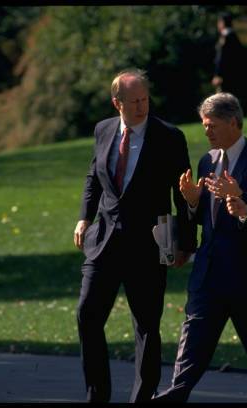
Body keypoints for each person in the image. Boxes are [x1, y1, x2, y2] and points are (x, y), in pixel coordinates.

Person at [73, 69, 196, 403]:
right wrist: (84, 218)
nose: (142, 107)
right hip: (105, 242)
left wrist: (185, 244)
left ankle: (142, 399)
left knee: (146, 328)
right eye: (134, 101)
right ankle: (97, 396)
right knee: (87, 315)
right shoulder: (103, 130)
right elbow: (93, 176)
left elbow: (181, 193)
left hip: (147, 246)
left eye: (145, 99)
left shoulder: (169, 137)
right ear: (118, 103)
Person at [152, 92, 247, 402]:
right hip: (209, 270)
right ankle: (175, 393)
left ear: (233, 123)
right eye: (204, 125)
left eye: (212, 125)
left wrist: (243, 200)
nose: (206, 131)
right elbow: (203, 219)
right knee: (194, 335)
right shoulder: (206, 161)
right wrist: (192, 201)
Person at [212, 12, 243, 95]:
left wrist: (218, 75)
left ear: (222, 22)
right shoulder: (235, 37)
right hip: (236, 77)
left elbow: (221, 58)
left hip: (225, 78)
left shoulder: (226, 37)